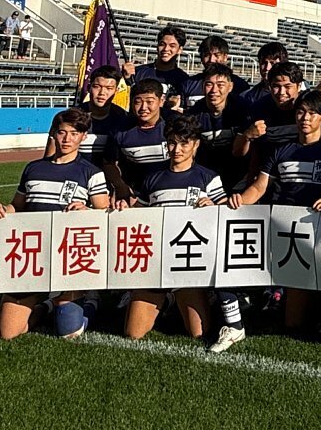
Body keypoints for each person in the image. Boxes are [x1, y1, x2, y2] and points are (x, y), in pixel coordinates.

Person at [229, 90, 321, 333]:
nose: (305, 118)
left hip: (314, 230)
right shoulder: (281, 151)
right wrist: (237, 201)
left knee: (294, 323)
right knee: (288, 318)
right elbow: (259, 187)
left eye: (312, 113)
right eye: (300, 112)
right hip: (281, 227)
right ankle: (270, 295)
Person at [0, 108, 109, 340]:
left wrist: (88, 210)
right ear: (53, 134)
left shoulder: (92, 173)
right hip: (33, 255)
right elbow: (17, 205)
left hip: (70, 257)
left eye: (74, 133)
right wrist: (3, 210)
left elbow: (104, 212)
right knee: (7, 333)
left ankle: (89, 299)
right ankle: (47, 305)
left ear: (83, 137)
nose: (67, 139)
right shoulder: (34, 168)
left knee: (69, 331)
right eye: (62, 132)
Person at [118, 115, 223, 344]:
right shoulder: (153, 177)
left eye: (184, 143)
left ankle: (188, 296)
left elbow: (226, 215)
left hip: (189, 264)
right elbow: (141, 215)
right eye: (172, 143)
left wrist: (215, 206)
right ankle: (166, 299)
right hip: (157, 262)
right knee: (133, 333)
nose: (177, 149)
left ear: (196, 144)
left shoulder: (208, 178)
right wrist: (124, 208)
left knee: (199, 333)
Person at [234, 62, 306, 187]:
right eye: (276, 86)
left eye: (287, 86)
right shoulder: (259, 108)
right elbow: (237, 151)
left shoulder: (310, 103)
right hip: (266, 173)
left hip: (302, 170)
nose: (281, 92)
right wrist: (247, 136)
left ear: (299, 86)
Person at [45, 65, 131, 168]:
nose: (102, 93)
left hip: (109, 180)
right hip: (75, 178)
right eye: (97, 87)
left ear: (116, 91)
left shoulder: (122, 118)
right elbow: (50, 156)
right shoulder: (69, 118)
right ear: (89, 87)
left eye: (109, 88)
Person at [103, 79, 170, 207]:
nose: (143, 108)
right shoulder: (120, 130)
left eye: (150, 102)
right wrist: (120, 186)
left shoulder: (172, 127)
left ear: (161, 101)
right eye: (138, 102)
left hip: (169, 195)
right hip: (134, 199)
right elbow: (109, 163)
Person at [185, 63, 251, 193]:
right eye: (209, 84)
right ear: (202, 87)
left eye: (220, 85)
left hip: (239, 176)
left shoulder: (245, 110)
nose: (214, 90)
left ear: (230, 87)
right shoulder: (193, 115)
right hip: (207, 178)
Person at [122, 25, 190, 108]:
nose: (166, 49)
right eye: (162, 44)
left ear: (180, 50)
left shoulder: (184, 79)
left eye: (172, 46)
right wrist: (126, 79)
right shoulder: (138, 72)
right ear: (157, 46)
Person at [179, 35, 250, 108]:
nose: (211, 60)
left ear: (225, 57)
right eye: (207, 55)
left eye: (216, 55)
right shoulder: (188, 84)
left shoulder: (240, 86)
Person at [239, 41, 290, 108]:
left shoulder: (300, 95)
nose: (267, 68)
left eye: (272, 63)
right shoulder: (246, 97)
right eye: (264, 63)